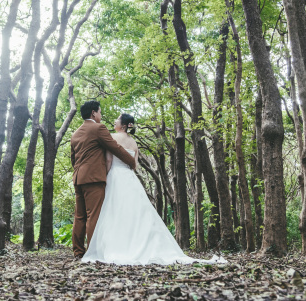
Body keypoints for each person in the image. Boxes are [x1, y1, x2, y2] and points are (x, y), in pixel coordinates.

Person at [82, 113, 225, 265]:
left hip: (115, 176)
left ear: (123, 125)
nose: (115, 121)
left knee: (115, 212)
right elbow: (134, 165)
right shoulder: (134, 143)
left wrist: (105, 176)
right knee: (136, 214)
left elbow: (109, 160)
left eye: (117, 119)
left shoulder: (112, 138)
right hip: (130, 179)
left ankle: (117, 246)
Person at [70, 101, 137, 259]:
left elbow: (74, 159)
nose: (101, 115)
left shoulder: (75, 133)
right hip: (94, 178)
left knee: (80, 216)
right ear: (93, 113)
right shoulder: (98, 129)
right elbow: (116, 148)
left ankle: (78, 252)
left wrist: (80, 172)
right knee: (94, 215)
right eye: (100, 112)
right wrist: (131, 161)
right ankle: (94, 252)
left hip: (79, 178)